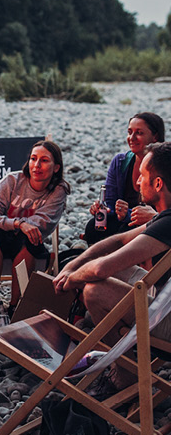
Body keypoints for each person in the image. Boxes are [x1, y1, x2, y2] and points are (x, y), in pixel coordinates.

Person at [54, 142, 171, 391]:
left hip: (169, 320)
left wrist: (72, 280)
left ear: (158, 184)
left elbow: (100, 270)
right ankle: (120, 349)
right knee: (101, 267)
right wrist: (73, 265)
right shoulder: (165, 216)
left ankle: (124, 374)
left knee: (94, 290)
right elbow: (118, 240)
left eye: (143, 177)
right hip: (165, 300)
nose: (138, 182)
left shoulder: (168, 224)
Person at [0, 140, 70, 330]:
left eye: (44, 160)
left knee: (29, 237)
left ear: (56, 167)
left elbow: (43, 224)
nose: (37, 165)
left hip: (27, 242)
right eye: (33, 159)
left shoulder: (58, 191)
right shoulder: (12, 180)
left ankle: (15, 306)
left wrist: (11, 225)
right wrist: (18, 223)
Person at [84, 112, 165, 244]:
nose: (131, 138)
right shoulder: (120, 162)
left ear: (155, 137)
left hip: (154, 224)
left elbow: (163, 210)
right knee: (93, 227)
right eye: (129, 132)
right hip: (123, 220)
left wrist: (127, 214)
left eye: (139, 133)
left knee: (125, 231)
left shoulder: (164, 165)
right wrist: (102, 209)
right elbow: (110, 202)